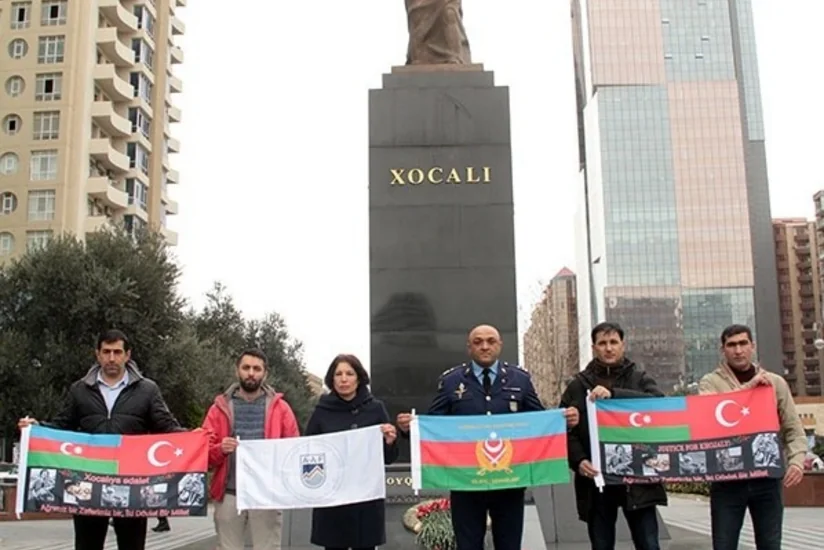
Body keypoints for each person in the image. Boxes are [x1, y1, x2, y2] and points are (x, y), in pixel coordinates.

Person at [396, 324, 579, 550]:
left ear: (500, 345)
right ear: (469, 348)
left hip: (510, 482)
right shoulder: (451, 381)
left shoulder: (519, 380)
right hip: (466, 484)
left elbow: (539, 422)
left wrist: (563, 423)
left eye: (491, 341)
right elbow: (434, 424)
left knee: (509, 545)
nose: (485, 346)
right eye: (478, 342)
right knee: (468, 545)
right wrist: (410, 428)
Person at [17, 329, 183, 550]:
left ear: (127, 355)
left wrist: (194, 436)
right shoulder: (79, 390)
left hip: (132, 485)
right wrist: (37, 428)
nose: (111, 358)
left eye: (117, 352)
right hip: (88, 483)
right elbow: (62, 424)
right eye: (106, 352)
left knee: (132, 545)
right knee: (87, 545)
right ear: (97, 354)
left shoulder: (147, 390)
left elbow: (167, 427)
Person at [698, 324, 807, 550]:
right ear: (723, 350)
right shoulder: (709, 382)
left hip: (766, 479)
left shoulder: (775, 383)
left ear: (752, 346)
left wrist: (797, 461)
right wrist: (750, 388)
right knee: (724, 544)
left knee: (770, 544)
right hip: (727, 479)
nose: (738, 350)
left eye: (743, 343)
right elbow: (710, 417)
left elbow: (793, 429)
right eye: (731, 345)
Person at [559, 321, 666, 550]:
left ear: (623, 345)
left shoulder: (640, 378)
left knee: (648, 544)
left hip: (638, 480)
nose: (608, 348)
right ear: (594, 347)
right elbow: (564, 431)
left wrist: (615, 395)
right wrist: (578, 461)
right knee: (601, 545)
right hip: (596, 481)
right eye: (602, 343)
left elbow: (660, 407)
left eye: (613, 342)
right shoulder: (577, 386)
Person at [202, 348, 300, 550]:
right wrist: (220, 449)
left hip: (267, 494)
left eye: (257, 368)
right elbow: (204, 453)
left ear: (265, 373)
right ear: (237, 370)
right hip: (229, 494)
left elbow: (293, 450)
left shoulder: (281, 408)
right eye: (246, 367)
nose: (251, 373)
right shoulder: (218, 407)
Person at [306, 354, 399, 550]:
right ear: (332, 379)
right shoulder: (322, 410)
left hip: (365, 501)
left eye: (349, 373)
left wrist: (389, 442)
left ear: (359, 377)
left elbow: (388, 458)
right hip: (333, 500)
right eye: (338, 374)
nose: (344, 379)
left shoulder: (376, 408)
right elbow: (309, 450)